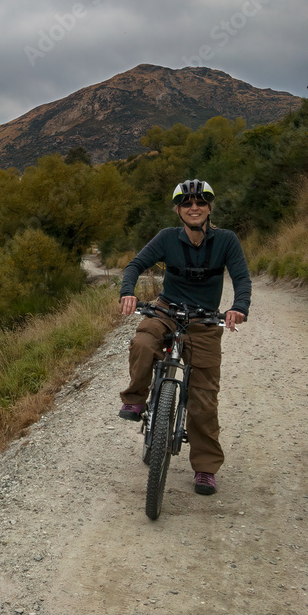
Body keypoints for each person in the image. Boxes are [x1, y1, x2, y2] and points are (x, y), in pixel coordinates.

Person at [118, 179, 251, 495]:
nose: (194, 208)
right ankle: (136, 400)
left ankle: (205, 468)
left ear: (209, 208)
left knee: (204, 398)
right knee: (142, 342)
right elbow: (135, 265)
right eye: (187, 203)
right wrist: (128, 292)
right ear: (178, 209)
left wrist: (238, 307)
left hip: (204, 320)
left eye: (201, 202)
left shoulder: (227, 241)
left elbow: (242, 278)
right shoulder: (166, 238)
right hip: (166, 310)